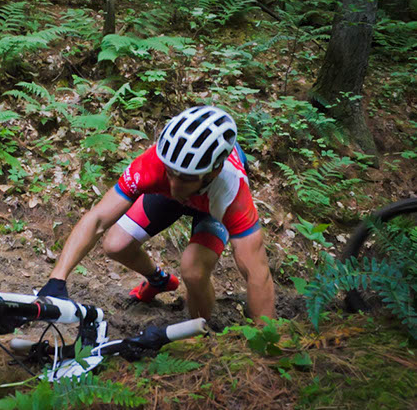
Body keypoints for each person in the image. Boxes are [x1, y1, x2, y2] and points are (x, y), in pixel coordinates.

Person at [38, 105, 275, 323]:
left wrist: (267, 343)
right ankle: (158, 280)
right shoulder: (153, 164)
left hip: (211, 206)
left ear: (212, 173)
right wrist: (56, 279)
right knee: (115, 245)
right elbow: (98, 218)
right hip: (176, 193)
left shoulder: (231, 190)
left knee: (194, 271)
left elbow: (257, 272)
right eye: (171, 173)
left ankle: (199, 333)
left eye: (185, 178)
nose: (175, 186)